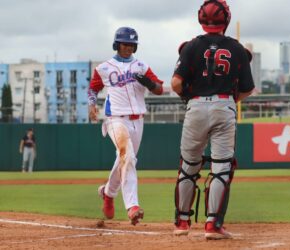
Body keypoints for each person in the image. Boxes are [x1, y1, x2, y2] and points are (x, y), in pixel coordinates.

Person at [171, 0, 255, 240]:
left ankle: (182, 222)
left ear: (201, 19)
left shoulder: (190, 47)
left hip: (196, 105)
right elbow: (248, 88)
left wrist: (189, 97)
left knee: (188, 166)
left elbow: (176, 83)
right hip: (224, 105)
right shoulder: (237, 49)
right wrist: (229, 101)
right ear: (226, 20)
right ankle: (212, 226)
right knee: (222, 167)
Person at [88, 27, 163, 225]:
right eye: (125, 43)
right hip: (115, 118)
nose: (128, 47)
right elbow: (93, 89)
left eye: (132, 44)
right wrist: (91, 104)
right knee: (127, 155)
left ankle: (108, 193)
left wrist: (149, 83)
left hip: (138, 119)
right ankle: (132, 207)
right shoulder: (104, 68)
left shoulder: (141, 66)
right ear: (117, 44)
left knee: (124, 159)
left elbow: (160, 90)